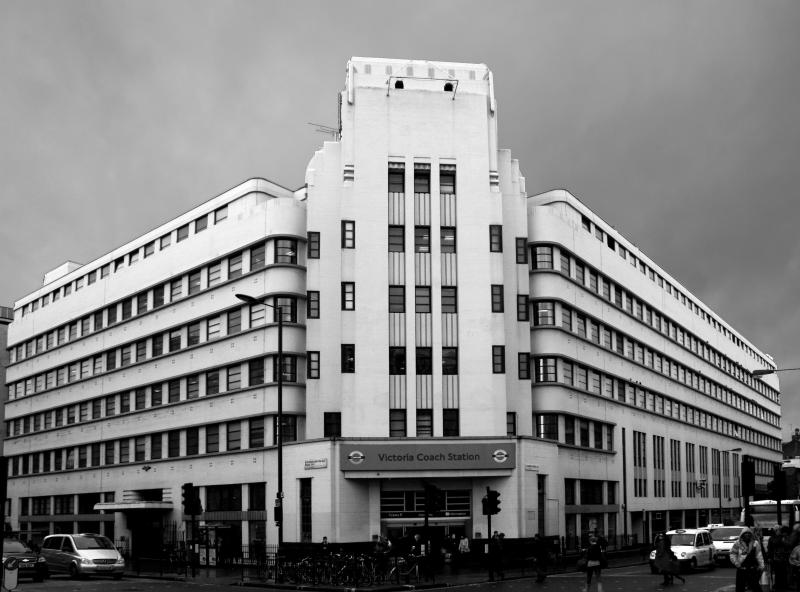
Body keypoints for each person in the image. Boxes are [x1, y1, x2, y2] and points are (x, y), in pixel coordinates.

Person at [730, 527, 765, 592]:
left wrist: (761, 566)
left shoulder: (755, 543)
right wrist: (736, 563)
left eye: (749, 533)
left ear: (751, 534)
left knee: (756, 587)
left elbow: (759, 555)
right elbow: (733, 554)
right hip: (741, 568)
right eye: (745, 533)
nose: (747, 535)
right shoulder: (738, 543)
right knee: (740, 588)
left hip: (752, 569)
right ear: (742, 534)